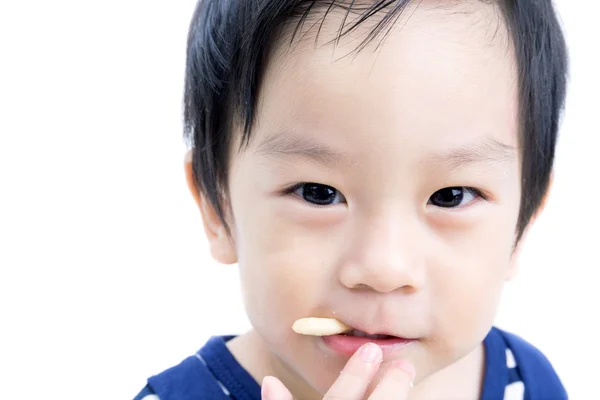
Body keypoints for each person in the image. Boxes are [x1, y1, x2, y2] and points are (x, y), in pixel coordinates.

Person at [134, 0, 569, 398]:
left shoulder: (527, 379)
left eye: (451, 197)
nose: (384, 270)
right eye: (318, 194)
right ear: (217, 207)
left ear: (522, 224)